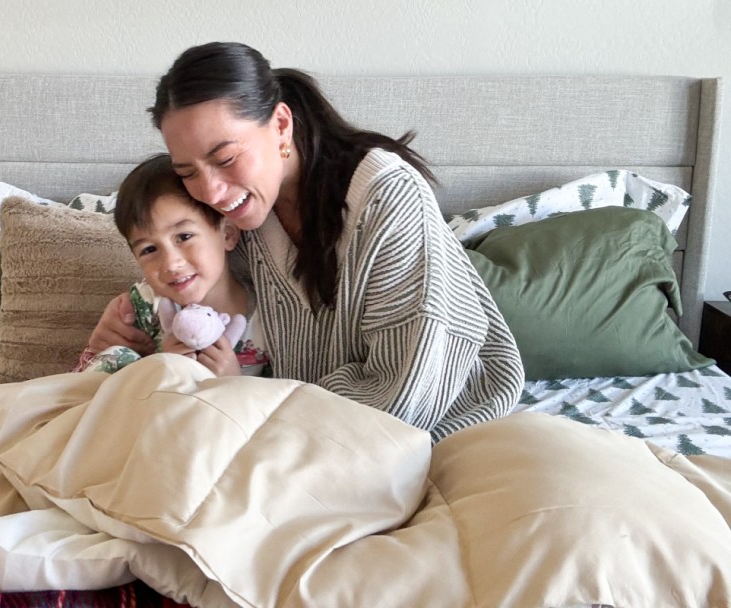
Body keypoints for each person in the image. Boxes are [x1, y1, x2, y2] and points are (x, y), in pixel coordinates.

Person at [88, 42, 524, 442]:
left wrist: (263, 411)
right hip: (287, 423)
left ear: (280, 124)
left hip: (423, 420)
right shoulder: (240, 216)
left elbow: (408, 384)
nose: (212, 192)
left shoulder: (386, 197)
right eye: (187, 172)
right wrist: (131, 325)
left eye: (225, 159)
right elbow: (202, 288)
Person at [75, 153, 270, 377]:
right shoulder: (145, 306)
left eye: (184, 237)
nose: (171, 263)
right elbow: (90, 372)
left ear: (227, 233)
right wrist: (159, 366)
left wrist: (231, 382)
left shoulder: (268, 316)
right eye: (149, 249)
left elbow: (281, 396)